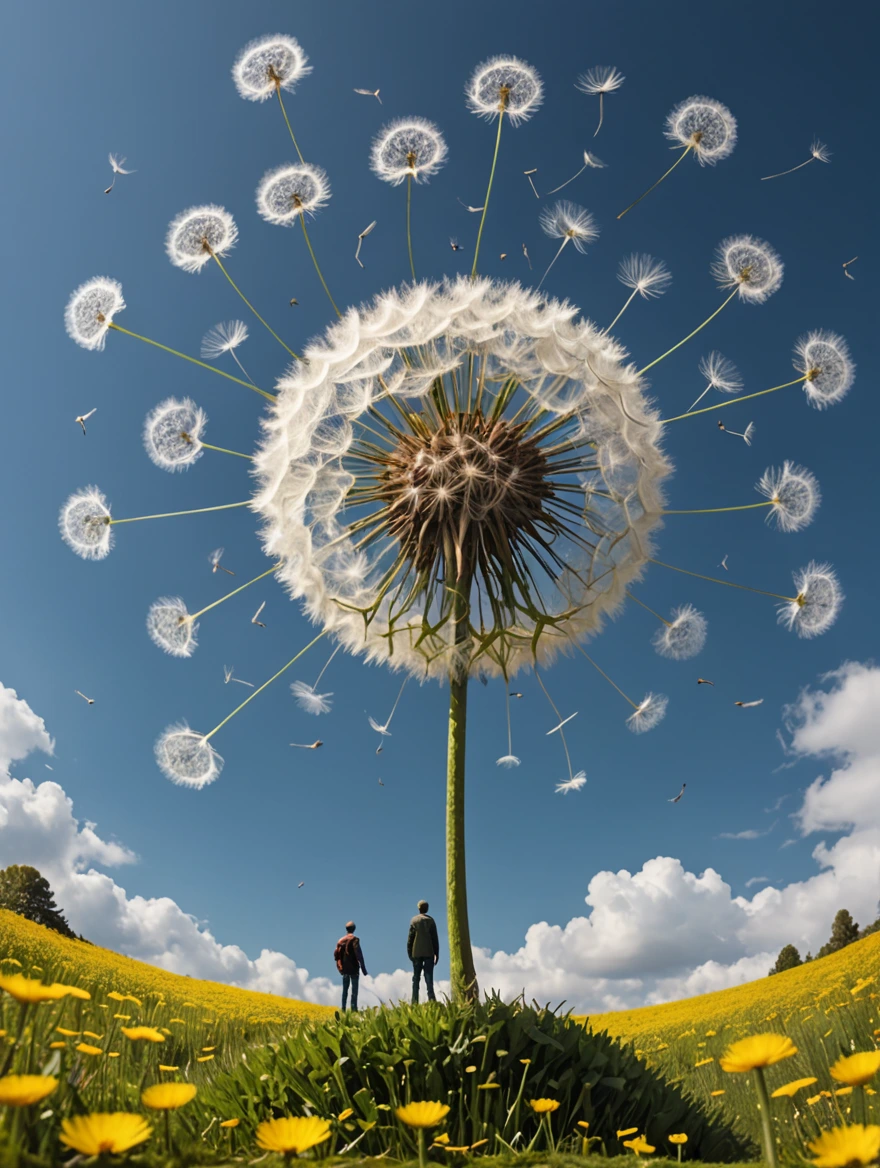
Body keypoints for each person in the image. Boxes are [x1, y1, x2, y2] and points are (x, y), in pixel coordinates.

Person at [407, 899, 439, 1003]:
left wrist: (409, 953)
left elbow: (410, 939)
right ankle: (432, 1000)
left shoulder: (414, 921)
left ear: (419, 908)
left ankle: (414, 1001)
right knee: (429, 978)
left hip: (416, 952)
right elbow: (435, 938)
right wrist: (436, 953)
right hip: (429, 952)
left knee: (416, 978)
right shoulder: (431, 921)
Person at [334, 920, 368, 1011]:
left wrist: (339, 967)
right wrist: (364, 969)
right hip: (354, 969)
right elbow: (359, 955)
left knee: (345, 990)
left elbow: (337, 956)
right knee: (354, 991)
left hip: (345, 969)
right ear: (354, 929)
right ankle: (354, 1009)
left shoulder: (340, 941)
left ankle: (343, 1009)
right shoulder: (355, 940)